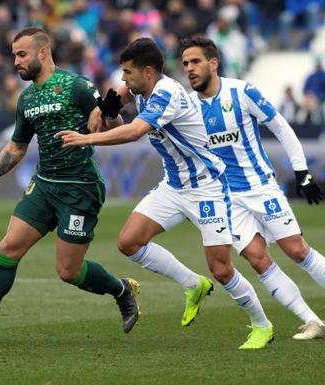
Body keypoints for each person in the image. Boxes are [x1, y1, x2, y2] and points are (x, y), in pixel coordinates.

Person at [56, 37, 273, 349]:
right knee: (129, 242)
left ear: (147, 72)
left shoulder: (167, 93)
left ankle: (262, 326)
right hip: (174, 185)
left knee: (222, 269)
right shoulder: (141, 87)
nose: (123, 79)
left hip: (207, 188)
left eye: (128, 72)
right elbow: (118, 108)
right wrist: (104, 110)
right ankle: (192, 283)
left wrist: (85, 139)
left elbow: (134, 132)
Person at [0, 27, 140, 341]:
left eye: (22, 55)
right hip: (44, 185)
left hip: (79, 188)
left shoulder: (75, 86)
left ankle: (122, 290)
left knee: (69, 272)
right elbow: (15, 149)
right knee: (8, 248)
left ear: (43, 52)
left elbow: (110, 126)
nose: (16, 62)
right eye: (14, 56)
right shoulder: (27, 98)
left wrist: (112, 112)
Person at [181, 36, 325, 340]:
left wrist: (301, 170)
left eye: (195, 62)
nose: (189, 69)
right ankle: (313, 321)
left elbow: (280, 127)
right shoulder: (188, 107)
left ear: (213, 63)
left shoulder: (241, 91)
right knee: (258, 259)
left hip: (261, 187)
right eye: (185, 64)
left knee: (297, 250)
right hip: (226, 199)